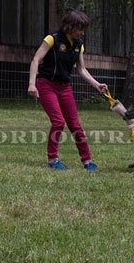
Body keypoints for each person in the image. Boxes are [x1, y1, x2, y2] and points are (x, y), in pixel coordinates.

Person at [28, 10, 108, 172]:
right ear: (70, 26)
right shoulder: (52, 39)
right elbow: (36, 59)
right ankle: (53, 160)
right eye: (80, 29)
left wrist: (97, 84)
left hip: (64, 87)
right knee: (58, 122)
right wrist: (32, 84)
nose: (82, 32)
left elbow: (82, 69)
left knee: (75, 125)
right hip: (46, 84)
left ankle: (87, 161)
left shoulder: (79, 44)